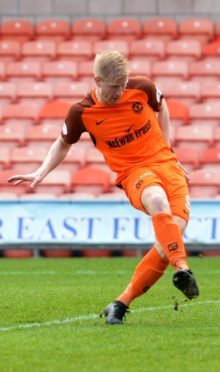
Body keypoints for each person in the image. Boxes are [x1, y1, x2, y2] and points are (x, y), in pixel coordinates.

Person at [8, 50, 199, 325]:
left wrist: (168, 149)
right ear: (97, 79)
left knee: (170, 236)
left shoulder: (142, 87)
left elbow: (161, 106)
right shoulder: (82, 112)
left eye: (123, 84)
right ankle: (183, 267)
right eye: (113, 86)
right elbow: (63, 143)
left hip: (168, 166)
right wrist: (41, 171)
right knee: (157, 200)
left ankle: (120, 304)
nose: (120, 91)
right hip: (134, 172)